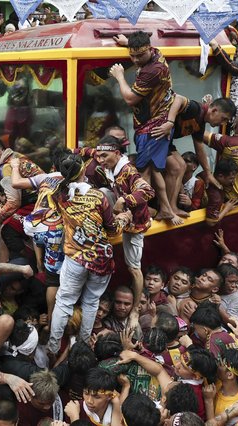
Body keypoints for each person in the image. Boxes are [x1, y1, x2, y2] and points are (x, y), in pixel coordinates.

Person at [46, 154, 131, 356]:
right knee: (91, 302)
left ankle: (53, 348)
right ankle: (83, 346)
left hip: (75, 257)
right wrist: (124, 218)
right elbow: (112, 230)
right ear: (83, 171)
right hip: (100, 259)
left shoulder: (58, 193)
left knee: (64, 301)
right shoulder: (98, 197)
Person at [110, 31, 176, 224]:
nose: (136, 60)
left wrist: (120, 76)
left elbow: (130, 98)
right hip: (157, 122)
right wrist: (127, 43)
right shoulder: (156, 52)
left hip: (152, 127)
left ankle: (142, 214)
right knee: (157, 168)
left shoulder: (152, 70)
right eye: (132, 55)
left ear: (149, 49)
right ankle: (165, 208)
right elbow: (138, 48)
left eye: (140, 55)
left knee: (144, 172)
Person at [95, 133, 155, 321]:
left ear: (117, 153)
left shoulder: (128, 170)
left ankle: (136, 310)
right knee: (102, 192)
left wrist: (124, 199)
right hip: (121, 214)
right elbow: (89, 152)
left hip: (135, 224)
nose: (100, 160)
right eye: (98, 156)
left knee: (133, 269)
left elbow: (148, 191)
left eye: (104, 156)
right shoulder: (110, 165)